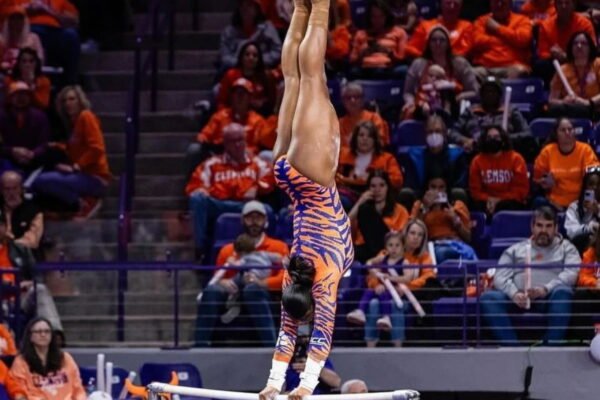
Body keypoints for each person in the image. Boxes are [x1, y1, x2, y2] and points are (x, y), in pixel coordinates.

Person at [259, 1, 355, 398]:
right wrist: (273, 386)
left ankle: (319, 6)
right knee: (293, 80)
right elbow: (286, 335)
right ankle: (302, 7)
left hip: (314, 180)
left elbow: (323, 334)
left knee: (312, 78)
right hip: (286, 177)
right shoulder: (293, 279)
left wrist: (304, 387)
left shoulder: (325, 278)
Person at [480, 206, 580, 345]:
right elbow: (500, 277)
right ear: (532, 227)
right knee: (488, 298)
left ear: (556, 228)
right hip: (518, 299)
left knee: (563, 292)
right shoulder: (516, 249)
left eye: (548, 226)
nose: (543, 230)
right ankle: (513, 349)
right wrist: (514, 293)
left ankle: (549, 349)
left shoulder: (567, 248)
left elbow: (571, 274)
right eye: (539, 225)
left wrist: (545, 289)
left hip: (549, 298)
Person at [195, 201, 289, 347]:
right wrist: (223, 283)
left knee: (252, 289)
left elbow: (286, 277)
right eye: (250, 218)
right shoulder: (227, 250)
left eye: (258, 218)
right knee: (211, 291)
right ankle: (200, 347)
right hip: (233, 293)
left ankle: (271, 347)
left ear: (265, 221)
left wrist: (262, 283)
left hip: (263, 292)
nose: (254, 222)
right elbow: (218, 276)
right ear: (243, 221)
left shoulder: (278, 247)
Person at [186, 123, 275, 254]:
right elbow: (195, 184)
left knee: (267, 210)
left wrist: (257, 187)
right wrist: (202, 189)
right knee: (197, 199)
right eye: (233, 141)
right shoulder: (212, 164)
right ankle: (200, 250)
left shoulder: (256, 162)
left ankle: (268, 248)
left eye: (240, 140)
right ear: (226, 144)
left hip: (246, 205)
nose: (238, 145)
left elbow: (271, 177)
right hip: (219, 205)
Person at [31, 86, 111, 218]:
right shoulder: (74, 123)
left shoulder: (86, 116)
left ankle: (85, 202)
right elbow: (74, 146)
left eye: (72, 99)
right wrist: (57, 146)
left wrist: (78, 166)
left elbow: (97, 148)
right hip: (84, 175)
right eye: (64, 101)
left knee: (41, 180)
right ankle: (81, 202)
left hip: (94, 176)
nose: (68, 103)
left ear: (80, 101)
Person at [188, 77, 268, 175]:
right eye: (236, 93)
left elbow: (260, 145)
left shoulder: (258, 120)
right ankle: (195, 185)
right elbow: (204, 136)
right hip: (220, 155)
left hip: (246, 158)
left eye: (243, 94)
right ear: (231, 97)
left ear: (250, 98)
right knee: (194, 149)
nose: (239, 97)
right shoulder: (220, 116)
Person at [450, 76, 534, 160]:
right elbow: (453, 132)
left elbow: (527, 133)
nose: (490, 94)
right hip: (474, 155)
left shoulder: (510, 111)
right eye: (487, 91)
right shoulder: (470, 111)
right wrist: (465, 140)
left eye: (493, 91)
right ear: (481, 94)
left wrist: (505, 138)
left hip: (504, 156)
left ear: (500, 94)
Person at [403, 26, 479, 117]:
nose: (438, 43)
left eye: (442, 40)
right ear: (428, 43)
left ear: (448, 43)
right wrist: (410, 102)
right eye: (434, 40)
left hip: (453, 107)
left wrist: (459, 97)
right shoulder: (418, 64)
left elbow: (474, 90)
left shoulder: (460, 63)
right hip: (423, 106)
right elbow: (408, 92)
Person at [10, 317, 86, 399]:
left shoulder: (65, 358)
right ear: (30, 336)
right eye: (38, 332)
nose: (43, 334)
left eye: (47, 331)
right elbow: (20, 392)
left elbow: (78, 388)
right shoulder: (21, 362)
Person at [533, 117, 598, 210]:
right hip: (554, 203)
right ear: (556, 134)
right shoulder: (548, 151)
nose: (567, 133)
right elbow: (537, 178)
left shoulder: (585, 150)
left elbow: (594, 177)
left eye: (570, 129)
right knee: (538, 202)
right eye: (563, 130)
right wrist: (545, 183)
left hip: (580, 202)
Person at [458, 0, 532, 78]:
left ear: (510, 4)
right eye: (496, 2)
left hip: (512, 66)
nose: (499, 5)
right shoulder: (481, 21)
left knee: (518, 71)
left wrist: (497, 28)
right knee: (469, 74)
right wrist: (508, 39)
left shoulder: (522, 20)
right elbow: (476, 41)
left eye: (503, 2)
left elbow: (524, 40)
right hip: (485, 68)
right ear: (490, 4)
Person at [411, 175, 477, 264]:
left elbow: (468, 238)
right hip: (432, 246)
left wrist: (455, 220)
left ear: (446, 189)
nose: (437, 191)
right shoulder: (419, 206)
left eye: (441, 187)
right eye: (433, 187)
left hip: (456, 244)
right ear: (427, 188)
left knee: (467, 253)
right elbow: (410, 233)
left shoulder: (457, 206)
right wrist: (425, 208)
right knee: (442, 253)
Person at [349, 170, 410, 263]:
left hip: (391, 249)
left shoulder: (400, 210)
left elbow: (403, 235)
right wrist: (359, 202)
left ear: (387, 187)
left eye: (381, 185)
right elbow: (344, 225)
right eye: (373, 186)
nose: (377, 190)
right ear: (368, 189)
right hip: (366, 248)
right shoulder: (363, 208)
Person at [337, 121, 403, 207]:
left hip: (376, 195)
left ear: (375, 140)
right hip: (347, 193)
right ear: (355, 138)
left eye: (369, 136)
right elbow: (330, 176)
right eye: (361, 135)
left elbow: (397, 180)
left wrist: (376, 179)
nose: (365, 139)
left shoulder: (387, 159)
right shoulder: (342, 154)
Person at [469, 125, 529, 216]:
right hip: (485, 202)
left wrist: (499, 199)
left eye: (496, 137)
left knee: (510, 206)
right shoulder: (477, 161)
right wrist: (489, 199)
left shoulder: (516, 159)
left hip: (509, 202)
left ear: (503, 140)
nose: (493, 140)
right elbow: (475, 191)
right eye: (489, 137)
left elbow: (521, 190)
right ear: (484, 141)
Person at [25, 0, 80, 86]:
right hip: (29, 29)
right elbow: (7, 13)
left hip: (55, 32)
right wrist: (26, 9)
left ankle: (70, 85)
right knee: (34, 34)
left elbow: (74, 21)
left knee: (71, 35)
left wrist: (48, 10)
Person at [0, 81, 50, 175]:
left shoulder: (40, 116)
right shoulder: (1, 116)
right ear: (9, 97)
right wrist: (12, 151)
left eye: (24, 94)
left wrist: (32, 154)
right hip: (6, 161)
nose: (21, 98)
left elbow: (44, 144)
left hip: (34, 162)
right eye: (17, 94)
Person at [216, 41, 278, 117]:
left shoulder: (267, 76)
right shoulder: (231, 75)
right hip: (232, 117)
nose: (251, 58)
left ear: (259, 59)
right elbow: (222, 101)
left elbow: (272, 102)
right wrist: (225, 117)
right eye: (247, 54)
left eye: (255, 55)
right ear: (241, 57)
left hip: (260, 119)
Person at [348, 0, 408, 77]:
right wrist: (363, 54)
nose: (377, 20)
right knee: (353, 72)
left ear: (386, 16)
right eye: (374, 17)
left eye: (381, 16)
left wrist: (388, 52)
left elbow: (401, 58)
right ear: (369, 17)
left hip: (388, 69)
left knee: (403, 70)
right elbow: (352, 60)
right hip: (365, 69)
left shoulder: (399, 32)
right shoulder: (361, 34)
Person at [548, 31, 600, 119]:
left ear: (590, 47)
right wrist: (564, 102)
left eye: (584, 43)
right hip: (572, 111)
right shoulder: (562, 69)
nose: (579, 46)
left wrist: (588, 103)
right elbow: (552, 101)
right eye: (575, 43)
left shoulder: (598, 64)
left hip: (595, 109)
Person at [220, 0, 282, 70]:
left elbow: (278, 50)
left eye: (249, 6)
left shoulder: (268, 28)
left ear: (257, 9)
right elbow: (225, 56)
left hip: (263, 69)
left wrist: (258, 61)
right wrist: (242, 62)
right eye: (242, 6)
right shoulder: (229, 32)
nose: (245, 9)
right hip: (237, 70)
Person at [405, 0, 473, 58]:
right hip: (427, 64)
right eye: (448, 3)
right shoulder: (425, 25)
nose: (452, 7)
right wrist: (427, 57)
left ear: (460, 7)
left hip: (455, 65)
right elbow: (410, 48)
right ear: (441, 5)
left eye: (456, 4)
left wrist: (446, 59)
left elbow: (466, 49)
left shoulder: (466, 26)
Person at [338, 81, 390, 148]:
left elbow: (381, 142)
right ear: (343, 101)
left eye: (356, 97)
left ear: (362, 100)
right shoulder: (339, 124)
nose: (352, 100)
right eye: (348, 97)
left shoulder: (374, 118)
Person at [564, 165, 600, 253]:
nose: (595, 188)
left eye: (599, 184)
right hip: (580, 247)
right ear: (585, 186)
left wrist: (598, 211)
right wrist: (589, 227)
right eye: (591, 184)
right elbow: (571, 232)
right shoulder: (574, 207)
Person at [0, 6, 44, 72]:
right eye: (13, 19)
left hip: (28, 74)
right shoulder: (2, 40)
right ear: (8, 21)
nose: (16, 22)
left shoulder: (33, 38)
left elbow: (40, 60)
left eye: (19, 19)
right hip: (6, 74)